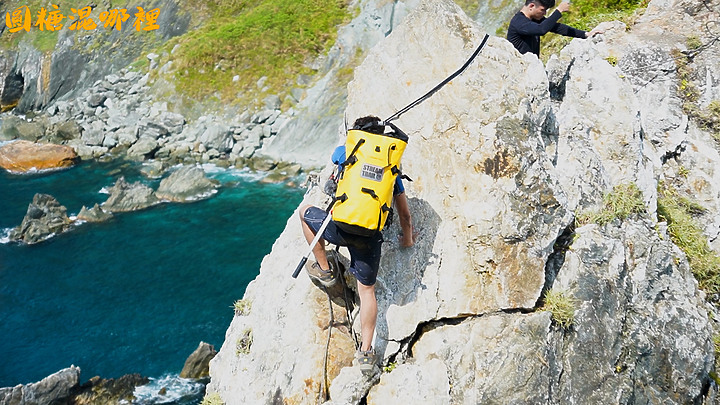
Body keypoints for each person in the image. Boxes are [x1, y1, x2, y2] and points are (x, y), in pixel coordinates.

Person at [299, 116, 416, 373]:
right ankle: (365, 352)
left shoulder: (345, 152)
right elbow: (405, 215)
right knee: (367, 293)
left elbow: (337, 156)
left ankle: (326, 269)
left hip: (340, 228)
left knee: (305, 212)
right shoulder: (391, 171)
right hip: (369, 238)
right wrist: (407, 239)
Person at [506, 0, 603, 57]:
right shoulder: (519, 22)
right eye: (543, 10)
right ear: (531, 6)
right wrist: (559, 11)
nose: (544, 14)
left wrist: (586, 34)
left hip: (531, 67)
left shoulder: (534, 19)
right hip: (519, 70)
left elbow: (557, 27)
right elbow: (541, 30)